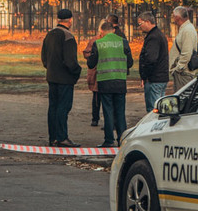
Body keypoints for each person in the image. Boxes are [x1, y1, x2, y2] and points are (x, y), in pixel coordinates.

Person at [87, 21, 133, 147]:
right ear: (113, 30)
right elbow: (130, 63)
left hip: (104, 81)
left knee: (107, 111)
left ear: (101, 31)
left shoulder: (98, 43)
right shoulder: (123, 42)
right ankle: (122, 139)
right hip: (120, 81)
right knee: (120, 111)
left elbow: (91, 64)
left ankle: (108, 140)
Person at [41, 8, 82, 148]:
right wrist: (77, 72)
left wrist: (51, 68)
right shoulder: (68, 36)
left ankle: (53, 138)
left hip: (52, 77)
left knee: (53, 107)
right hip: (65, 78)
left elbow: (44, 58)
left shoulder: (49, 35)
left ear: (57, 19)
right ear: (70, 20)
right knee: (63, 108)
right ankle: (62, 137)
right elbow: (70, 61)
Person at [137, 11, 169, 112]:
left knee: (154, 109)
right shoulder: (158, 34)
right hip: (160, 77)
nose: (139, 27)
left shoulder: (153, 37)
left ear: (147, 22)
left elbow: (150, 59)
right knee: (159, 106)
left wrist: (145, 75)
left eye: (140, 24)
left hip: (154, 79)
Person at [169, 6, 198, 92]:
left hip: (183, 73)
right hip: (182, 73)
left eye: (173, 16)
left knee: (182, 100)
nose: (173, 19)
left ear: (177, 17)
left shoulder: (187, 30)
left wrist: (178, 68)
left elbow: (186, 53)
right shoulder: (185, 28)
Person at [83, 23, 105, 127]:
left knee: (105, 97)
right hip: (96, 72)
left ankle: (104, 119)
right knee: (96, 97)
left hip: (102, 71)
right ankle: (95, 118)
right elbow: (86, 53)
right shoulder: (94, 40)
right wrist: (93, 56)